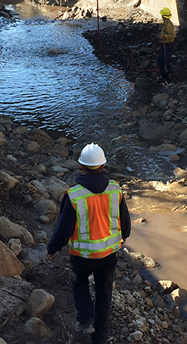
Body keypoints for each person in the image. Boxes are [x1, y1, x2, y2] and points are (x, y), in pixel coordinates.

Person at [47, 143, 131, 344]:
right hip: (109, 254)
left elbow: (64, 229)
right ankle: (99, 337)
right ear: (103, 166)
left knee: (79, 282)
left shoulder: (74, 195)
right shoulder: (115, 190)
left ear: (81, 167)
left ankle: (85, 319)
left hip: (83, 256)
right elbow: (124, 221)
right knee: (104, 293)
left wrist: (52, 249)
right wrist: (124, 237)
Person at [157, 7, 176, 83]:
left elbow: (173, 35)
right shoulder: (166, 24)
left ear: (163, 16)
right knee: (160, 61)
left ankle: (168, 77)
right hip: (165, 44)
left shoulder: (168, 25)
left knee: (165, 61)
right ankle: (164, 76)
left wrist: (164, 37)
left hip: (167, 45)